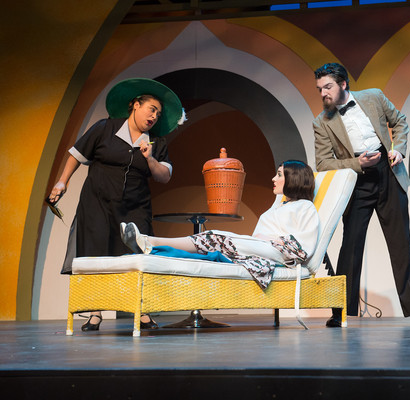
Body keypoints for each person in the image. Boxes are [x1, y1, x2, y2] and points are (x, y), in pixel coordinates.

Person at [48, 78, 185, 331]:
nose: (154, 116)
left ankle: (142, 313)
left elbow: (164, 175)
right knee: (95, 251)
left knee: (138, 253)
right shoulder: (105, 128)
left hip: (135, 205)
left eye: (158, 113)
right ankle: (95, 313)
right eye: (151, 109)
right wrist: (61, 183)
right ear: (135, 105)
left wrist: (150, 158)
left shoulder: (156, 142)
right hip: (97, 201)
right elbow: (76, 155)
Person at [312, 63, 410, 327]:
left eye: (328, 87)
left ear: (343, 84)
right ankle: (340, 312)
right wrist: (358, 164)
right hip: (357, 179)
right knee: (351, 246)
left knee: (401, 244)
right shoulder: (321, 122)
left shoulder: (374, 97)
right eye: (320, 89)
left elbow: (399, 122)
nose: (323, 93)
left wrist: (398, 149)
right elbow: (323, 163)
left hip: (388, 172)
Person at [120, 160, 320, 289]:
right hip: (260, 250)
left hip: (278, 256)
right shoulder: (276, 208)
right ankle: (150, 246)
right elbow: (255, 240)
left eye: (279, 174)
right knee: (212, 249)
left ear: (293, 179)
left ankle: (149, 241)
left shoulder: (305, 207)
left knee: (216, 237)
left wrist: (271, 240)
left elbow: (303, 248)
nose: (273, 178)